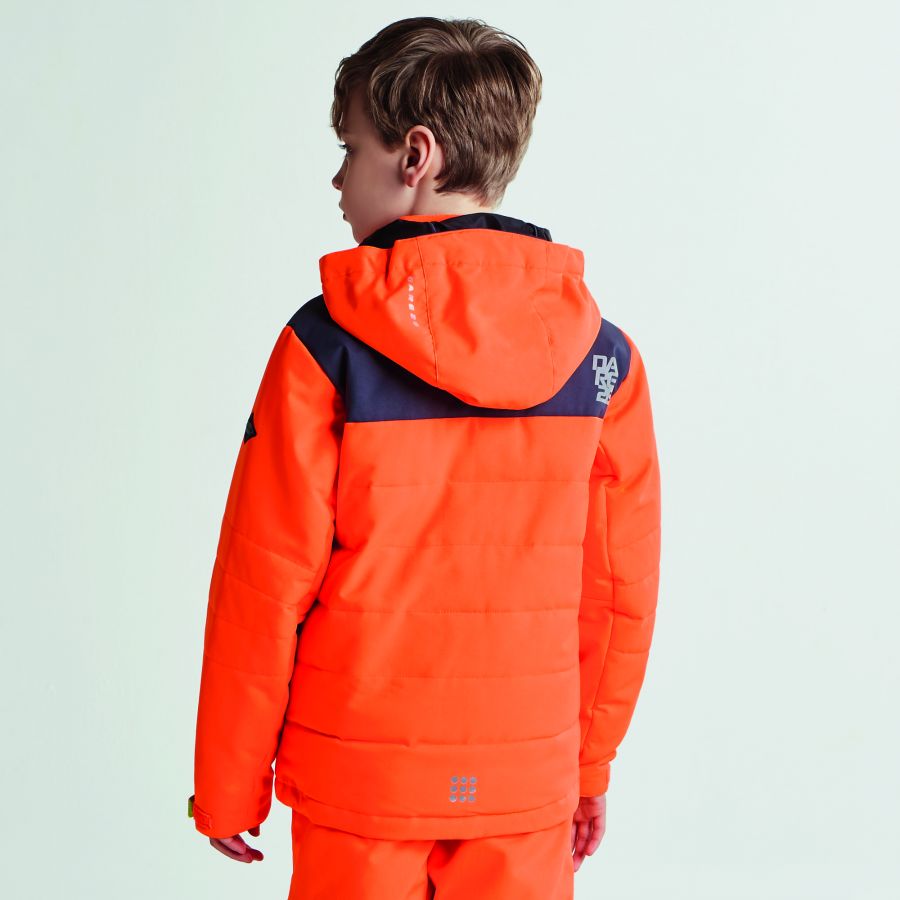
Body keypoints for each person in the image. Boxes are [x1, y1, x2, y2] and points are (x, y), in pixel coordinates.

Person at [188, 15, 661, 899]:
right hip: (524, 781)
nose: (337, 181)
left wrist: (227, 783)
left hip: (358, 783)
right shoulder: (605, 361)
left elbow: (263, 585)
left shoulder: (324, 347)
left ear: (415, 157)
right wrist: (587, 765)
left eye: (349, 149)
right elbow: (618, 591)